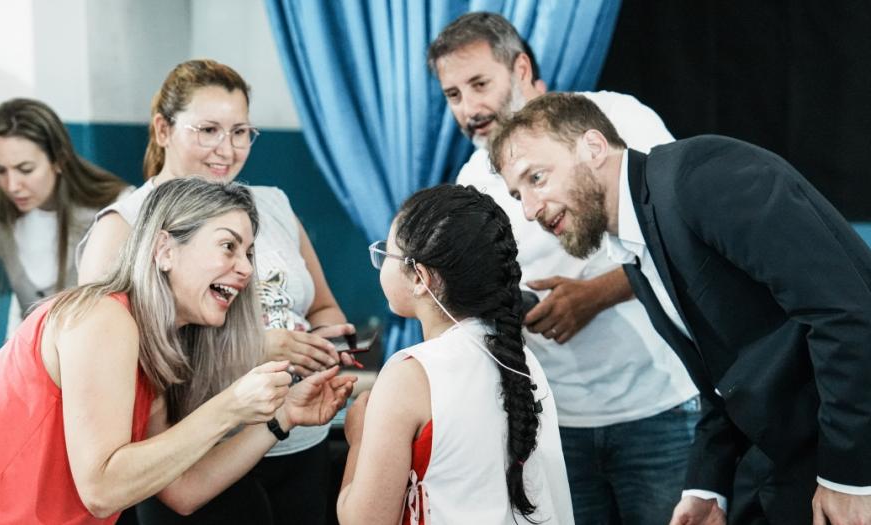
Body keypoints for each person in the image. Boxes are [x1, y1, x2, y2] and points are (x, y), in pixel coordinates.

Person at [489, 92, 871, 525]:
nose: (530, 209)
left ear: (593, 148)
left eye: (536, 177)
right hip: (783, 470)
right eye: (518, 194)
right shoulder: (633, 245)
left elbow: (847, 313)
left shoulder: (702, 175)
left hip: (844, 455)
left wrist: (851, 476)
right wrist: (706, 486)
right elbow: (724, 377)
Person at [0, 177, 356, 524]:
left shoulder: (155, 345)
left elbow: (183, 489)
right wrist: (232, 405)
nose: (244, 269)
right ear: (164, 250)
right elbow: (101, 487)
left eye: (249, 253)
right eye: (228, 247)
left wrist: (281, 418)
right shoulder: (103, 318)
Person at [427, 12, 698, 523]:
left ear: (522, 67)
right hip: (554, 424)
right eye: (454, 94)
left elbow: (679, 237)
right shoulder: (471, 182)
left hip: (661, 409)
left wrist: (594, 294)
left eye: (480, 83)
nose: (469, 108)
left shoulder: (613, 118)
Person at [77, 58, 356, 524]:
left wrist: (323, 346)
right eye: (208, 130)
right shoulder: (126, 224)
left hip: (296, 436)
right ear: (163, 129)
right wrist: (251, 349)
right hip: (197, 452)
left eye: (240, 131)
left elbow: (322, 305)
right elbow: (115, 366)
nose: (225, 149)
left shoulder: (272, 203)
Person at [337, 184, 573, 524]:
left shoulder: (410, 375)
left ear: (420, 277)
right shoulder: (521, 359)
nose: (381, 264)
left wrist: (359, 440)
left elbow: (363, 521)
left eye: (386, 253)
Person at [0, 98, 132, 320]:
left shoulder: (115, 208)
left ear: (59, 159)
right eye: (0, 170)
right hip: (28, 347)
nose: (12, 186)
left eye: (26, 169)